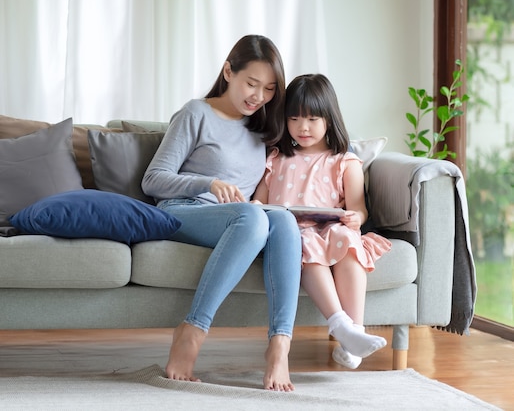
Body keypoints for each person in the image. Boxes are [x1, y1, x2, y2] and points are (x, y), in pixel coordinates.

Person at [141, 35, 302, 391]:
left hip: (242, 221)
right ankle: (192, 331)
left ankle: (280, 346)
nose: (258, 96)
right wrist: (208, 184)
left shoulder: (262, 128)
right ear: (229, 71)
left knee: (284, 221)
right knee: (251, 217)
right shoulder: (195, 113)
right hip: (185, 212)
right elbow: (153, 180)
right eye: (251, 83)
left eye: (270, 89)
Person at [252, 74, 392, 369]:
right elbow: (259, 202)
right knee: (303, 244)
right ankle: (342, 327)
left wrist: (356, 218)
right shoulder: (276, 159)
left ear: (329, 119)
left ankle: (355, 332)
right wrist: (253, 206)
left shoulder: (344, 161)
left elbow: (358, 209)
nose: (303, 127)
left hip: (330, 229)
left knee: (350, 240)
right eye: (294, 118)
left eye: (313, 119)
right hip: (289, 234)